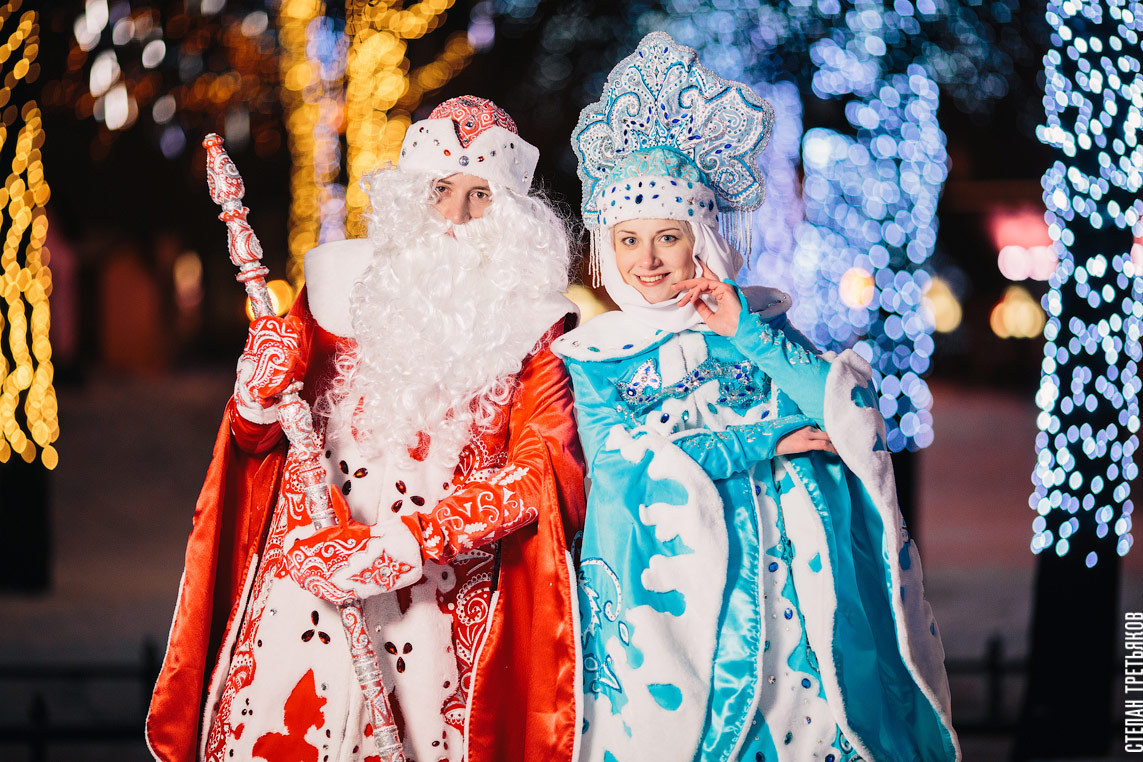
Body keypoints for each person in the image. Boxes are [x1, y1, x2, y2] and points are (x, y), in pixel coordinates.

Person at [554, 33, 960, 762]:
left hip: (793, 601)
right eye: (628, 240)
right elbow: (618, 467)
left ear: (701, 237)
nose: (646, 261)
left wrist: (748, 334)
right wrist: (757, 442)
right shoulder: (594, 356)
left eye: (668, 237)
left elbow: (837, 412)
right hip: (677, 614)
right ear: (605, 248)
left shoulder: (757, 325)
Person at [146, 96, 586, 762]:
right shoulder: (329, 286)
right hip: (305, 585)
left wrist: (407, 544)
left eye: (480, 198)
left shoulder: (536, 323)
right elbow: (256, 440)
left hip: (440, 607)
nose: (456, 217)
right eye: (441, 190)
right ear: (414, 193)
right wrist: (255, 399)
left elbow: (543, 475)